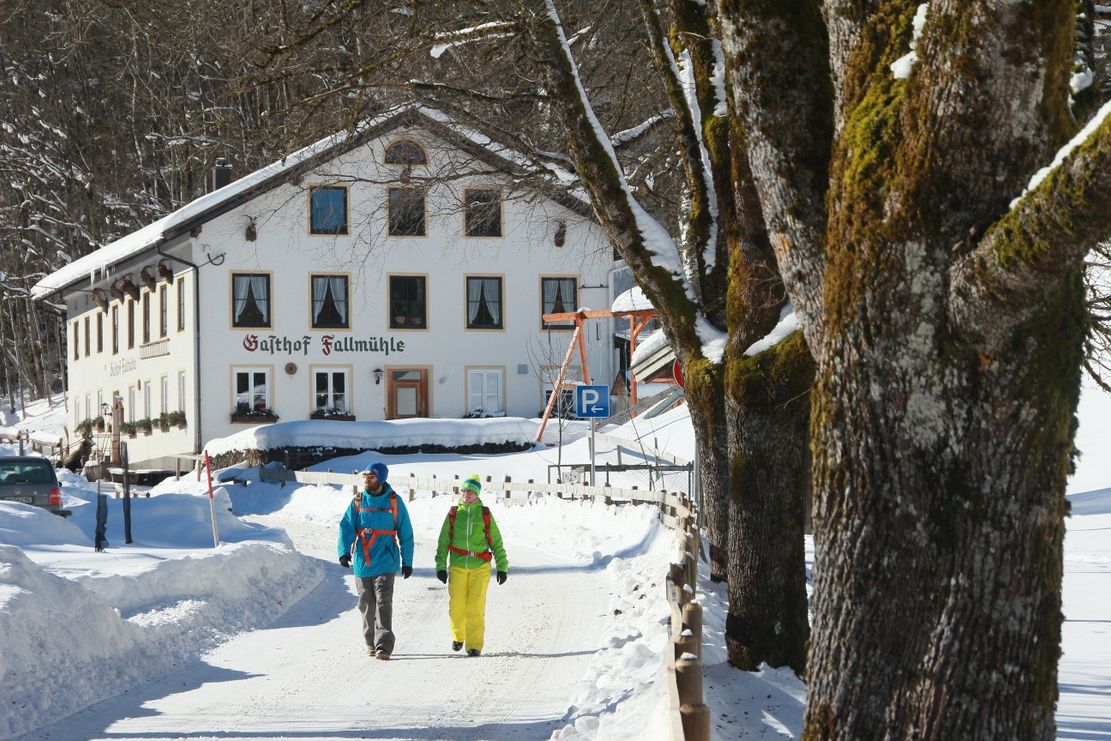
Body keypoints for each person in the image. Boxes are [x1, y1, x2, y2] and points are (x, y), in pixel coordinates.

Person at [338, 462, 414, 660]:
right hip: (362, 560)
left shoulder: (394, 501)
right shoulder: (358, 501)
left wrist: (407, 561)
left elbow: (406, 532)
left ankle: (384, 645)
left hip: (386, 560)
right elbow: (346, 527)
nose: (367, 479)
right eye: (365, 476)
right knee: (366, 603)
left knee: (383, 601)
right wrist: (343, 552)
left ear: (381, 478)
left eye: (371, 476)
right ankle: (370, 642)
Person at [434, 473, 508, 657]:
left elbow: (496, 541)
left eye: (471, 492)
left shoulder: (484, 514)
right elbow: (443, 542)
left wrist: (502, 566)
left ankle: (474, 645)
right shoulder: (453, 514)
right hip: (457, 565)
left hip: (480, 567)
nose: (466, 494)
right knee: (457, 606)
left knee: (476, 606)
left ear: (477, 495)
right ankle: (458, 636)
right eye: (464, 491)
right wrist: (440, 566)